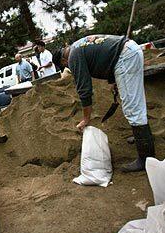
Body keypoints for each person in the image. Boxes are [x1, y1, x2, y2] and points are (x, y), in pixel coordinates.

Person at [53, 35, 154, 172]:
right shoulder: (78, 45)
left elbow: (84, 89)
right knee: (135, 102)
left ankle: (146, 159)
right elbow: (106, 55)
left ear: (64, 60)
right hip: (128, 50)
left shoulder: (73, 56)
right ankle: (142, 138)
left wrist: (86, 118)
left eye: (65, 66)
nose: (68, 67)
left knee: (132, 108)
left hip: (125, 56)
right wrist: (113, 80)